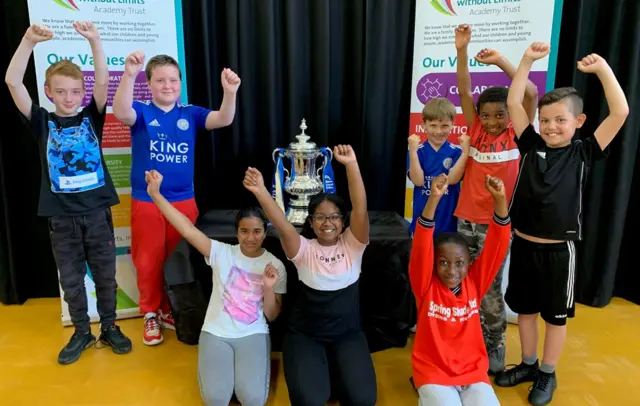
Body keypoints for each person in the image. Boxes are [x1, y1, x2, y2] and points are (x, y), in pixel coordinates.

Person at [496, 42, 629, 405]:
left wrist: (602, 70)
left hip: (559, 253)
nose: (551, 126)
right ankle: (528, 364)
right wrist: (526, 61)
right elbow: (513, 103)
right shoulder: (530, 144)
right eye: (546, 119)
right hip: (522, 244)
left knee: (555, 319)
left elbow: (620, 111)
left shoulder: (584, 151)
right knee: (524, 311)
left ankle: (547, 374)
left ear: (579, 122)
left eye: (560, 119)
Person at [5, 22, 132, 364]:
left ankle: (109, 327)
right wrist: (28, 41)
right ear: (48, 92)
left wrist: (95, 40)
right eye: (60, 91)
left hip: (96, 215)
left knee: (106, 277)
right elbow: (13, 82)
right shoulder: (41, 122)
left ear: (82, 92)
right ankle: (81, 331)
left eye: (75, 91)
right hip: (62, 219)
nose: (69, 98)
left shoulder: (93, 117)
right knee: (72, 281)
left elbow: (103, 81)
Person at [112, 51, 241, 345]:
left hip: (184, 201)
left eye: (173, 80)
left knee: (180, 257)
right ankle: (150, 314)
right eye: (160, 80)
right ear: (150, 84)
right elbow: (121, 112)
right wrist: (128, 74)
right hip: (147, 201)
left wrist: (230, 93)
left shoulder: (190, 113)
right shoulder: (142, 113)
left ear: (180, 83)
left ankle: (173, 308)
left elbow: (223, 119)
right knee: (147, 260)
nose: (167, 85)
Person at [243, 145, 377, 405]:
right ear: (311, 222)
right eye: (320, 218)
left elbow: (360, 208)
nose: (327, 223)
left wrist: (351, 164)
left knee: (363, 400)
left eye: (334, 217)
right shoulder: (303, 248)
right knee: (311, 400)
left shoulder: (354, 244)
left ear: (343, 222)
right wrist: (260, 191)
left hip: (346, 334)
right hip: (306, 335)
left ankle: (337, 369)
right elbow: (281, 222)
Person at [145, 169, 286, 406]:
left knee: (252, 399)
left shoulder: (274, 265)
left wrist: (269, 287)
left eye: (257, 231)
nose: (250, 238)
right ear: (237, 232)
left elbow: (271, 315)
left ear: (265, 233)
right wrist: (156, 195)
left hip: (253, 334)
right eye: (244, 231)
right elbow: (188, 229)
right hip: (216, 333)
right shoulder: (221, 252)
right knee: (216, 399)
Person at [452, 23, 540, 374]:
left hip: (497, 226)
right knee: (462, 282)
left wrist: (504, 61)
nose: (490, 122)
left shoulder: (518, 133)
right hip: (465, 219)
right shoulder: (475, 128)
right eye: (485, 115)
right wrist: (462, 51)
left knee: (489, 289)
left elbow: (530, 94)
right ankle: (463, 337)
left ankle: (495, 342)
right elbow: (463, 90)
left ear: (510, 116)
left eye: (498, 115)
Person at [410, 173, 511, 406]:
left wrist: (500, 201)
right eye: (443, 262)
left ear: (469, 263)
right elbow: (422, 244)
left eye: (459, 263)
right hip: (433, 371)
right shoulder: (425, 285)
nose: (452, 271)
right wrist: (434, 198)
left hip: (472, 371)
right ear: (434, 263)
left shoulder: (474, 282)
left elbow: (497, 245)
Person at [407, 97, 469, 238]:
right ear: (424, 124)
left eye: (444, 126)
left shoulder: (457, 152)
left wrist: (466, 153)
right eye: (433, 125)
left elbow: (452, 180)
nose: (438, 131)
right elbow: (418, 181)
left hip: (449, 225)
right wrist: (412, 152)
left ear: (453, 124)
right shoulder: (417, 152)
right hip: (421, 223)